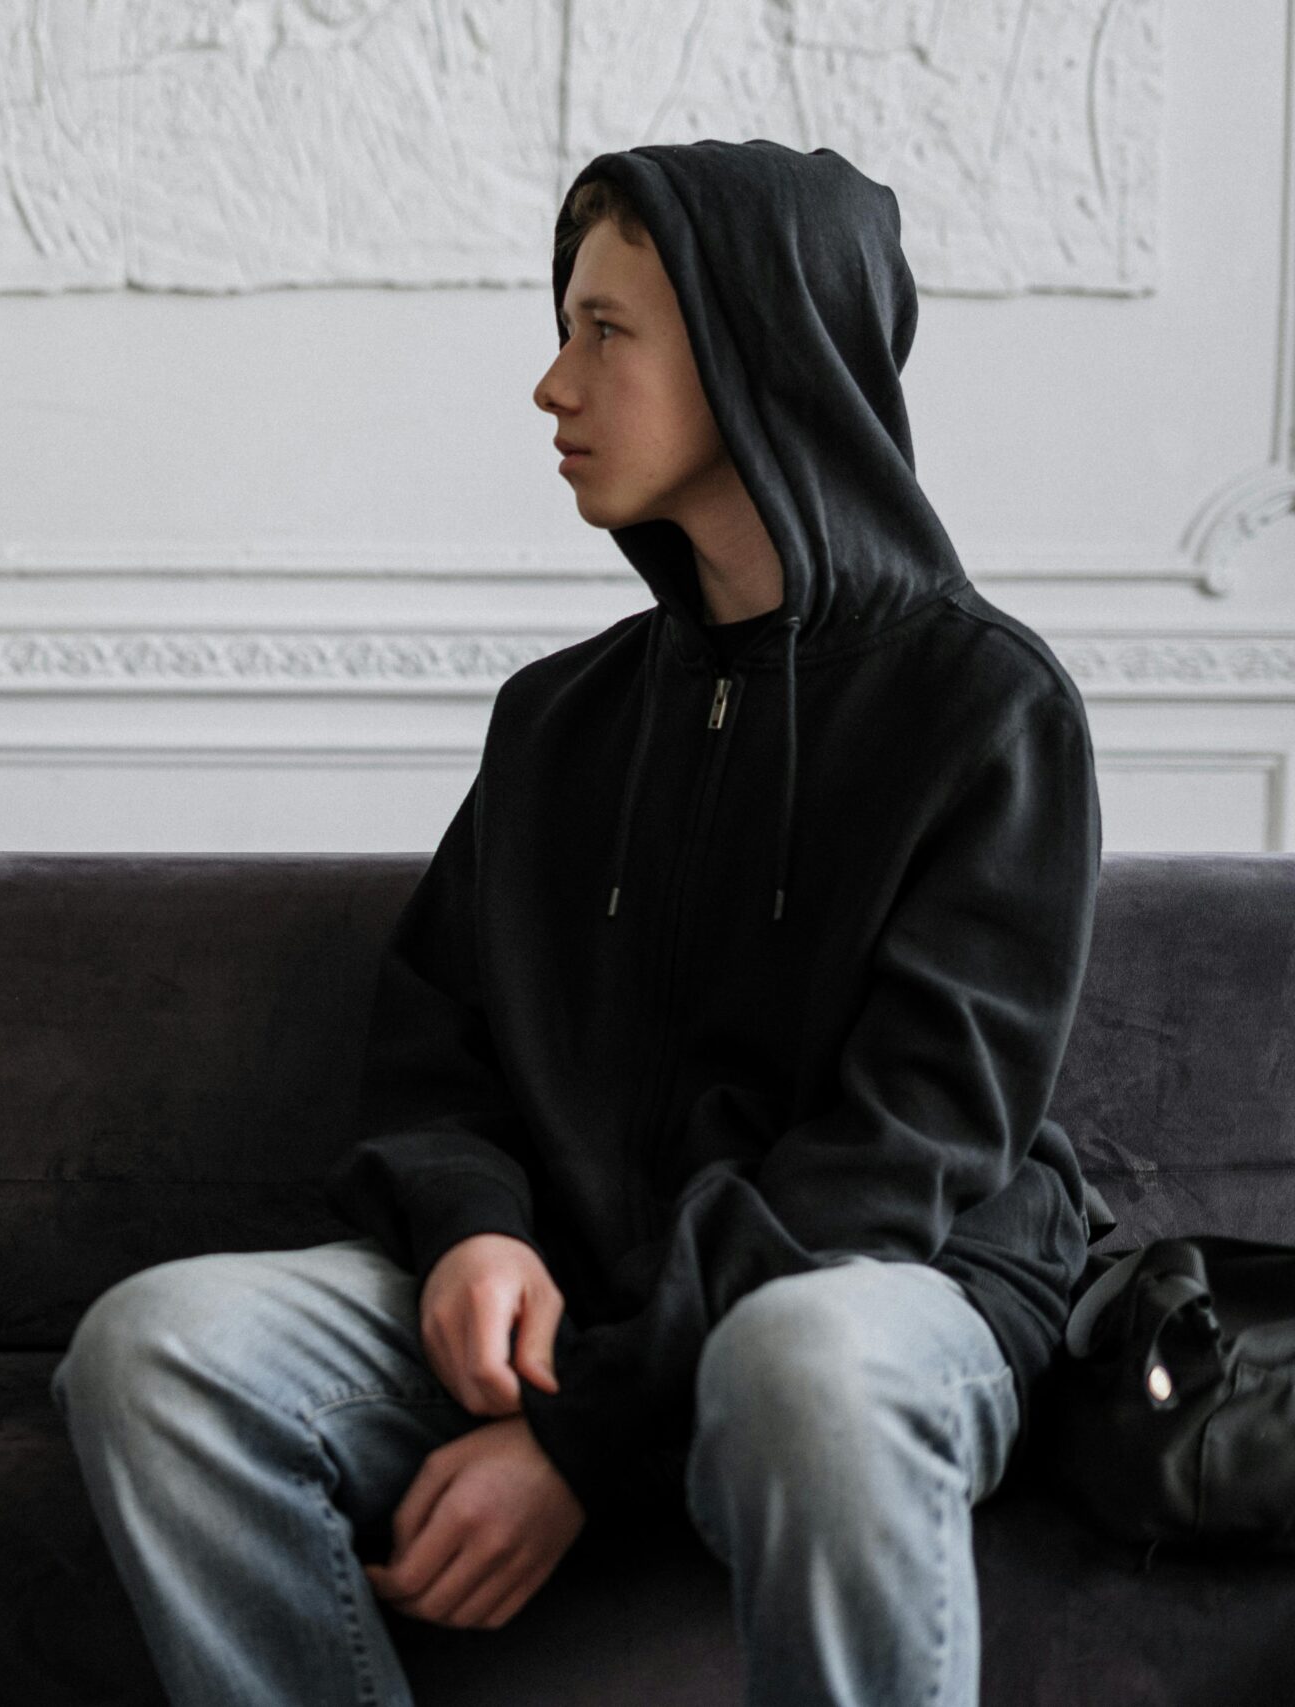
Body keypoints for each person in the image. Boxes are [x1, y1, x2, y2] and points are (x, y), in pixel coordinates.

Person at [54, 140, 1102, 1707]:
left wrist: (580, 1432)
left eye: (603, 331)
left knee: (797, 1360)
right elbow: (440, 1042)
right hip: (574, 1291)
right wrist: (474, 1221)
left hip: (888, 1293)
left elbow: (897, 1157)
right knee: (160, 1346)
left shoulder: (986, 706)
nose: (552, 383)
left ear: (763, 351)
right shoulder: (558, 719)